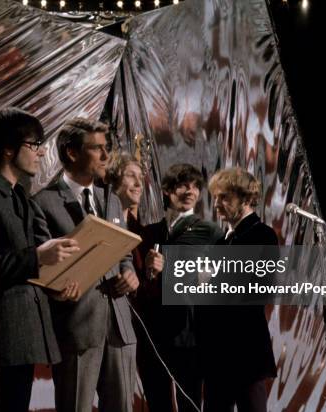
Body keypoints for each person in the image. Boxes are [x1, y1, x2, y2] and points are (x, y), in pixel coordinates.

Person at [0, 108, 80, 412]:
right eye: (34, 144)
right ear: (8, 149)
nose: (41, 152)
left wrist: (56, 286)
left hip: (22, 334)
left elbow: (31, 263)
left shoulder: (19, 196)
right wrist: (36, 256)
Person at [32, 118, 139, 412]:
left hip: (119, 327)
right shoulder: (43, 203)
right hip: (77, 327)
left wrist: (130, 274)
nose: (107, 156)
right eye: (98, 149)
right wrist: (57, 289)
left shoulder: (112, 200)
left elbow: (125, 255)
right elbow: (42, 269)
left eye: (108, 148)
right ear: (71, 152)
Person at [142, 163, 223, 412]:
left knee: (191, 402)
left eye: (195, 186)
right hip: (153, 331)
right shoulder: (149, 232)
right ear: (167, 190)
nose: (190, 191)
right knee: (157, 400)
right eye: (182, 185)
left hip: (190, 330)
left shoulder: (210, 231)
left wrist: (170, 267)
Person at [199, 166, 278, 412]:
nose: (217, 204)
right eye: (215, 198)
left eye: (224, 197)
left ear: (245, 198)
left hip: (245, 351)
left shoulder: (262, 235)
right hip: (217, 352)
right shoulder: (224, 240)